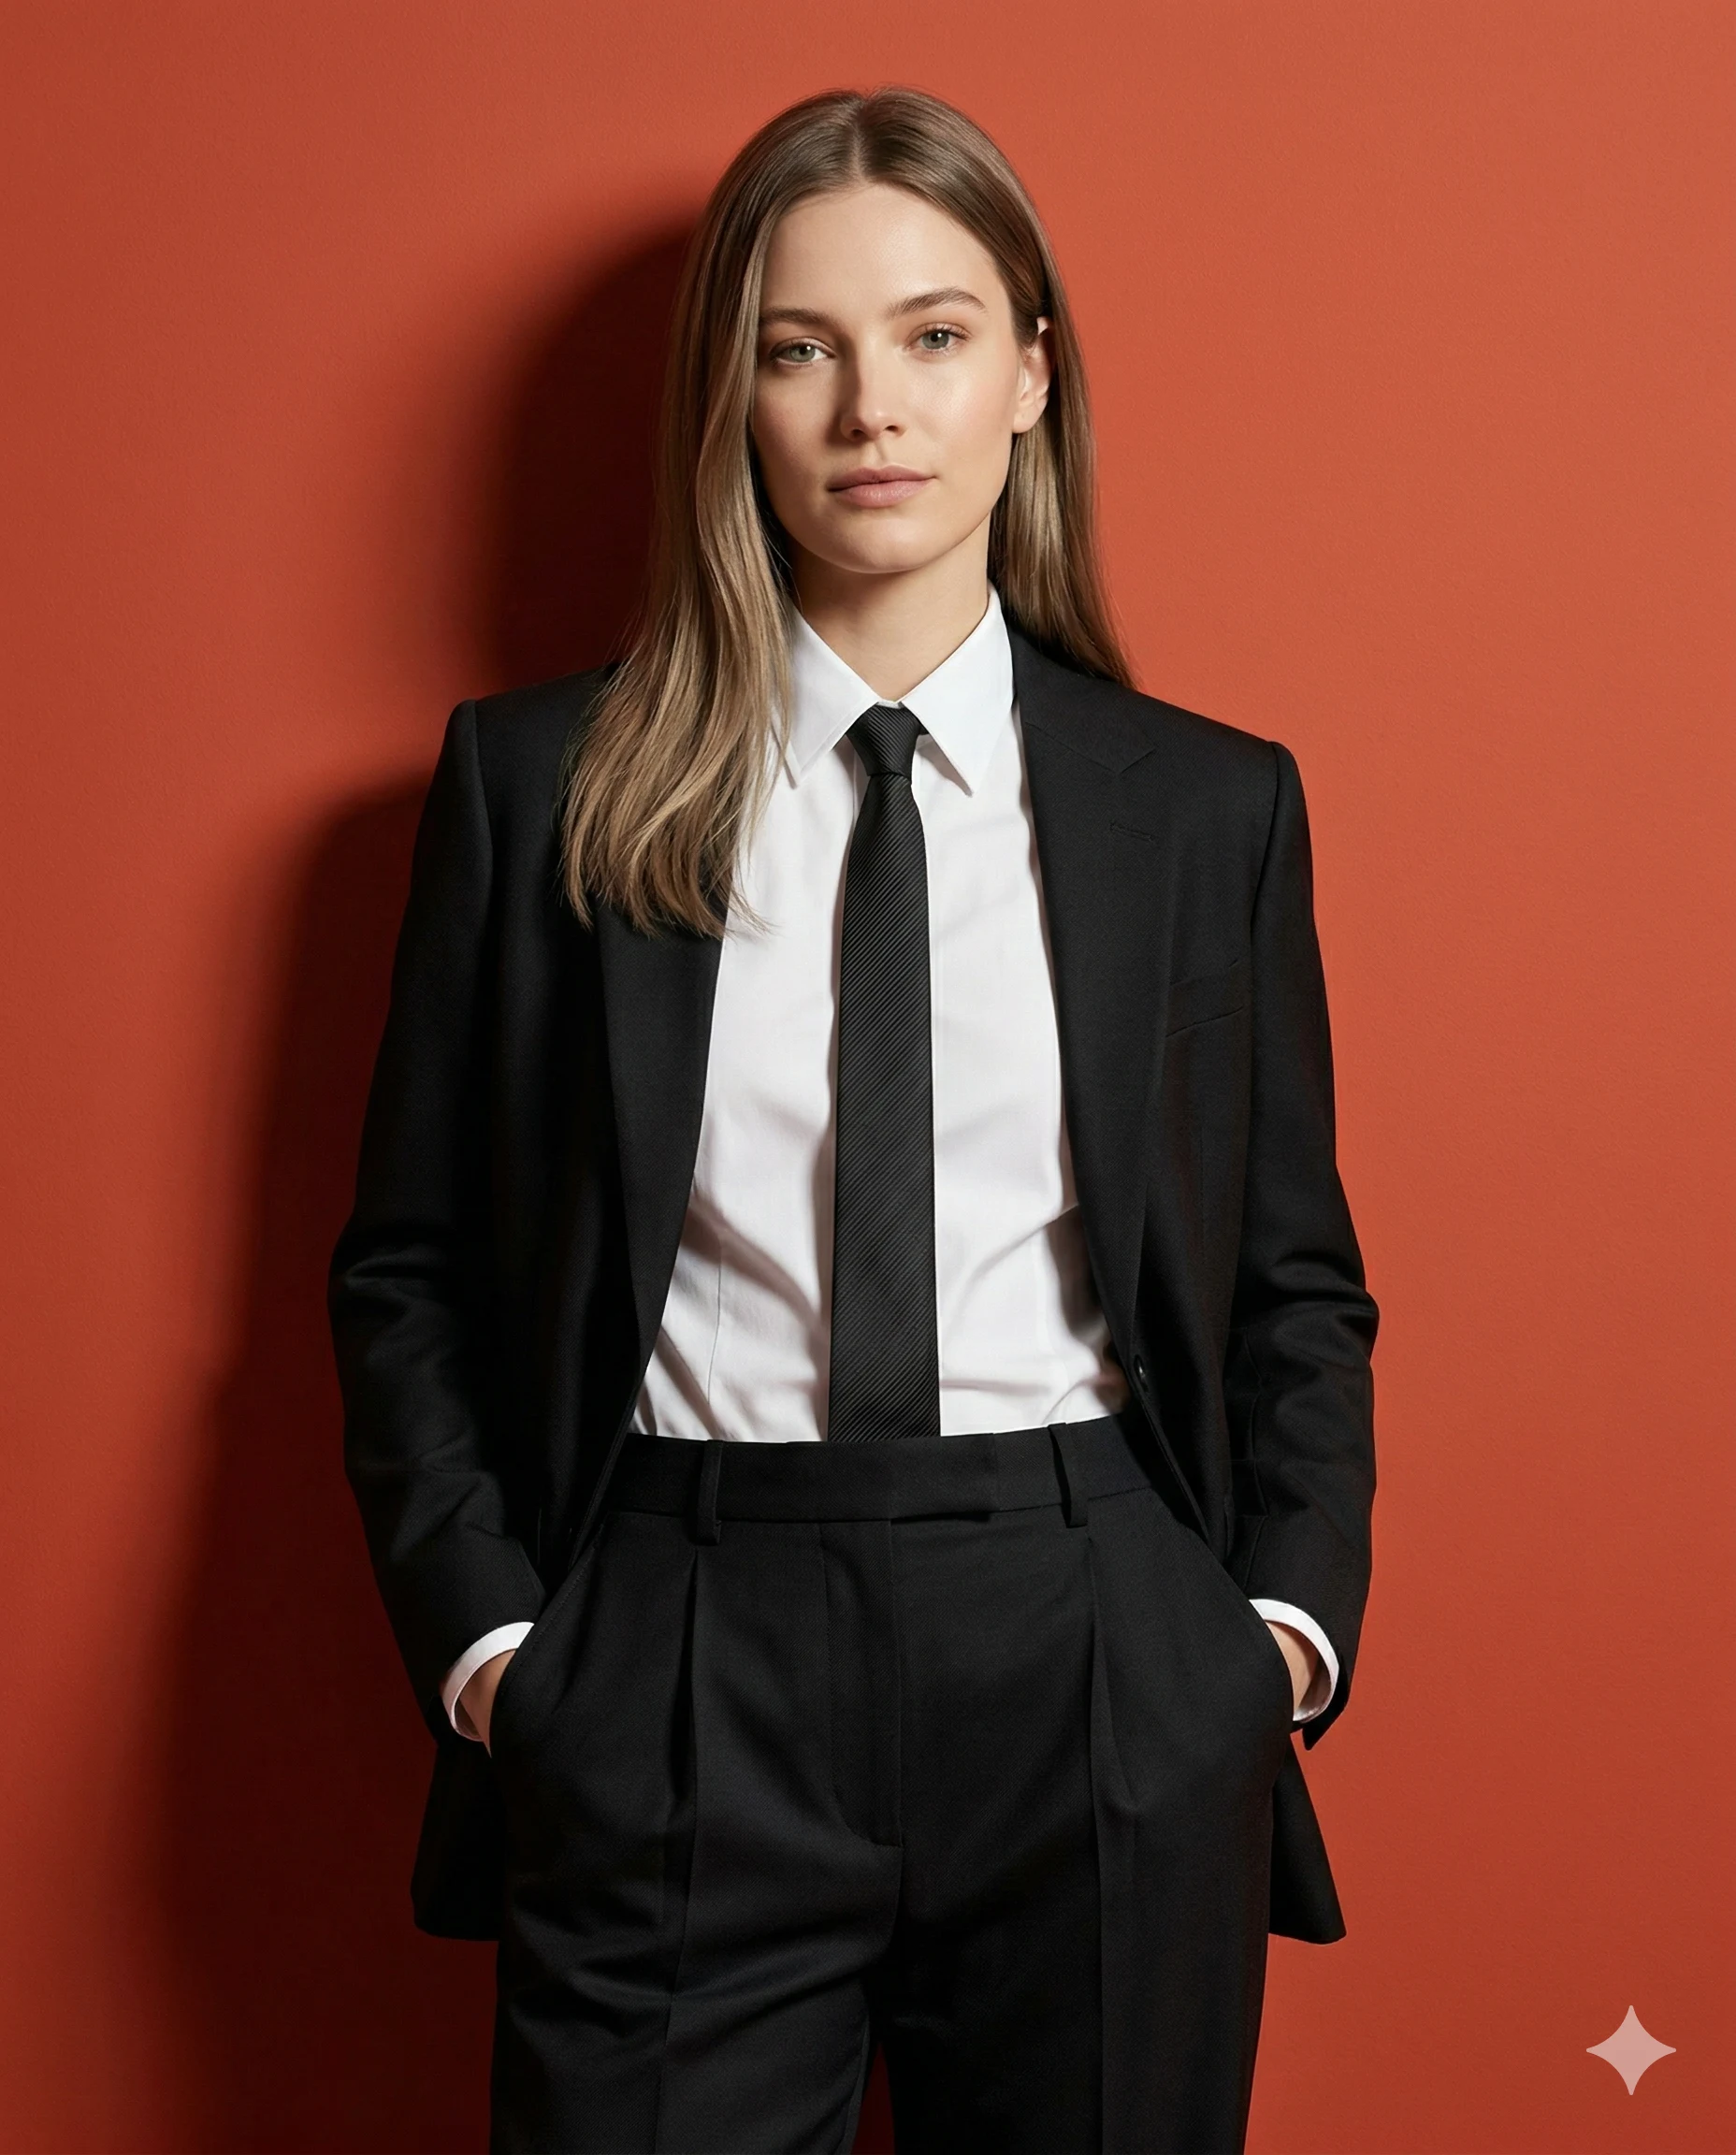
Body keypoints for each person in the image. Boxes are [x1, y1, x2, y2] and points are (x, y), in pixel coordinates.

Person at [330, 83, 1377, 2155]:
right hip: (683, 1648)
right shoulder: (538, 789)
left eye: (933, 334)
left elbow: (1289, 1280)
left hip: (1095, 1650)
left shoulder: (1205, 809)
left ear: (1027, 378)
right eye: (799, 347)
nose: (868, 409)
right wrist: (502, 1659)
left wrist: (1264, 1640)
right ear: (733, 391)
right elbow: (410, 1266)